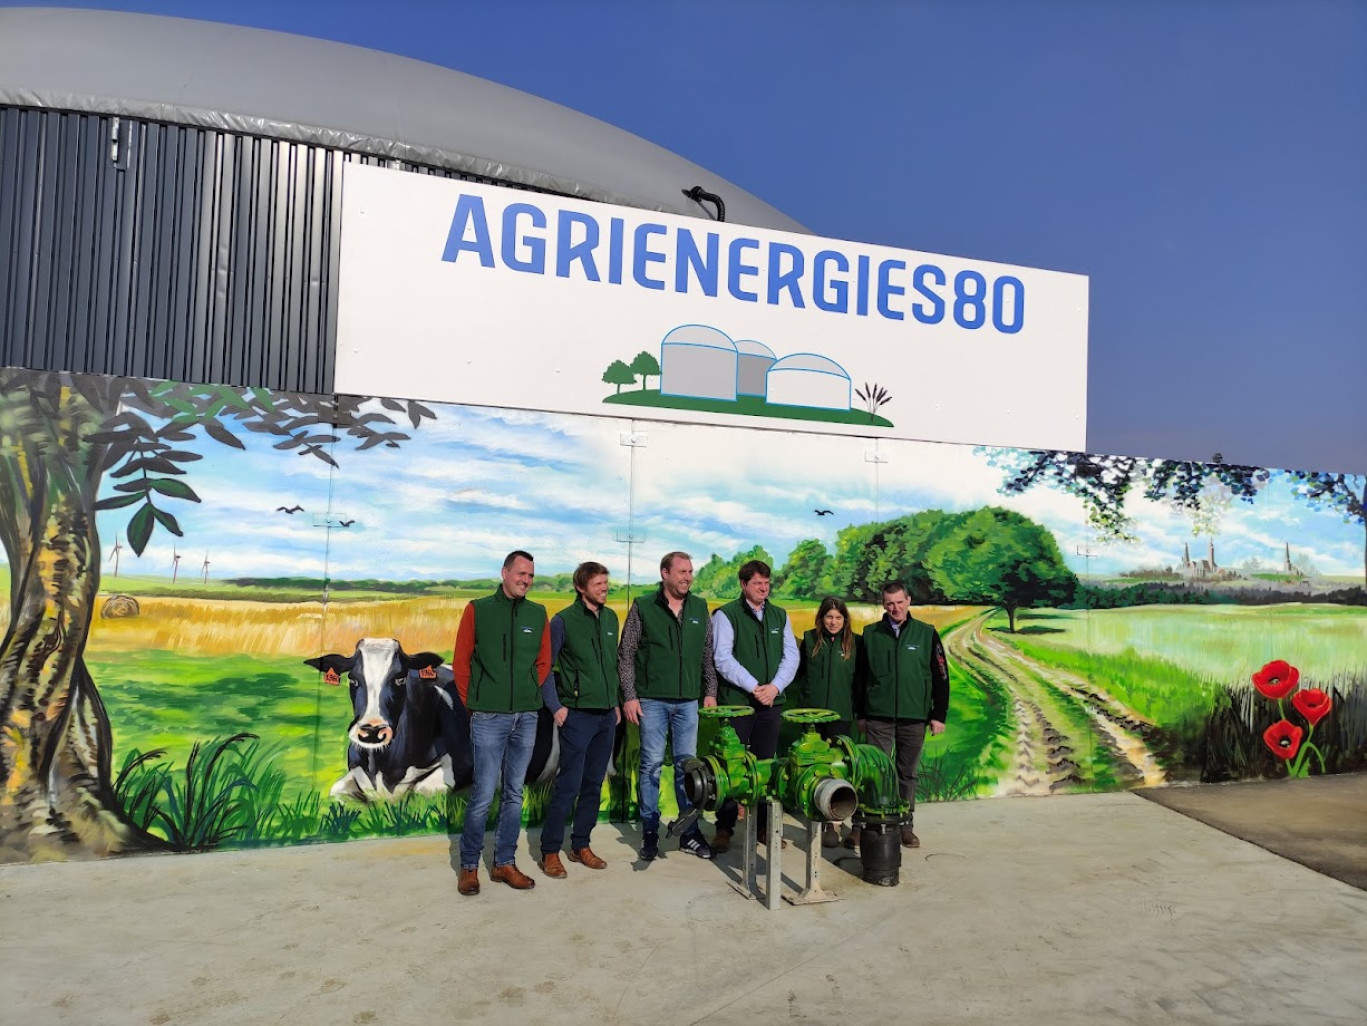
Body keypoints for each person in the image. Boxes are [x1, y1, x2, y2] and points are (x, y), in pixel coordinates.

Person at [453, 550, 552, 895]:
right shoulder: (478, 610)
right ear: (505, 573)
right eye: (520, 574)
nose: (525, 581)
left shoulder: (538, 614)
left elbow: (543, 663)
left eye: (530, 576)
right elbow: (461, 663)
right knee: (483, 793)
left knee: (514, 793)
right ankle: (468, 866)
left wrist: (525, 695)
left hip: (526, 717)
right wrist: (477, 704)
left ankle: (504, 863)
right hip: (488, 717)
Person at [618, 551, 718, 861]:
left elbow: (706, 654)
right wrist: (630, 696)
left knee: (687, 768)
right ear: (665, 573)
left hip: (688, 701)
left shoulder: (700, 607)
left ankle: (689, 832)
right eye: (681, 571)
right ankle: (650, 830)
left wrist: (710, 690)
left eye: (690, 571)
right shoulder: (644, 606)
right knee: (649, 766)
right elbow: (626, 654)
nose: (687, 577)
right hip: (652, 700)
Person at [537, 561, 620, 878]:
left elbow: (611, 665)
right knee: (568, 785)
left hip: (605, 716)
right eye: (598, 584)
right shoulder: (563, 622)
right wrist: (556, 706)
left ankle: (580, 845)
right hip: (577, 716)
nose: (604, 588)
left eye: (605, 583)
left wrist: (614, 703)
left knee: (593, 785)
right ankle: (549, 851)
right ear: (581, 587)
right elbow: (544, 668)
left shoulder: (611, 618)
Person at [710, 559, 798, 853]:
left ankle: (763, 827)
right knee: (731, 766)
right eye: (757, 582)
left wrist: (774, 688)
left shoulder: (779, 615)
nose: (763, 587)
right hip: (738, 705)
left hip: (771, 703)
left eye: (767, 582)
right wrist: (754, 687)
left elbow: (791, 656)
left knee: (766, 765)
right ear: (744, 584)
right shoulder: (726, 615)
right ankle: (724, 828)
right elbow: (722, 658)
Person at [854, 581, 949, 850]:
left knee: (907, 774)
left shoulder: (926, 634)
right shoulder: (870, 634)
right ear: (883, 605)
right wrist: (861, 713)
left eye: (899, 602)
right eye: (889, 603)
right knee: (875, 773)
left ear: (908, 601)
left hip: (913, 717)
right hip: (878, 717)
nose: (895, 607)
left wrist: (938, 714)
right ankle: (867, 824)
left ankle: (905, 825)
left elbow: (941, 676)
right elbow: (861, 678)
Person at [794, 596, 861, 848]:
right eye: (829, 617)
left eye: (838, 617)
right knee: (815, 770)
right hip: (812, 720)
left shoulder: (855, 643)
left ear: (845, 619)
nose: (833, 622)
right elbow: (799, 675)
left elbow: (859, 682)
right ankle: (820, 822)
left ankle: (835, 823)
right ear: (821, 618)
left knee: (837, 769)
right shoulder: (809, 639)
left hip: (840, 717)